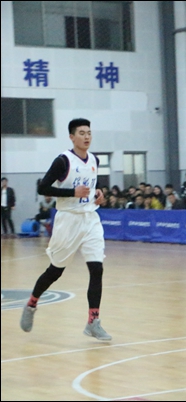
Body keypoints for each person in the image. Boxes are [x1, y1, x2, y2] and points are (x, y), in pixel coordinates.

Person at [20, 118, 111, 341]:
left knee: (97, 269)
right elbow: (43, 188)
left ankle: (93, 322)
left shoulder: (95, 159)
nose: (87, 137)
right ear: (72, 137)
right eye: (82, 133)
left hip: (90, 218)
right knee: (55, 271)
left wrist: (98, 193)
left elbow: (90, 184)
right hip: (68, 220)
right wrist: (72, 193)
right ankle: (31, 304)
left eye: (89, 132)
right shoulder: (63, 161)